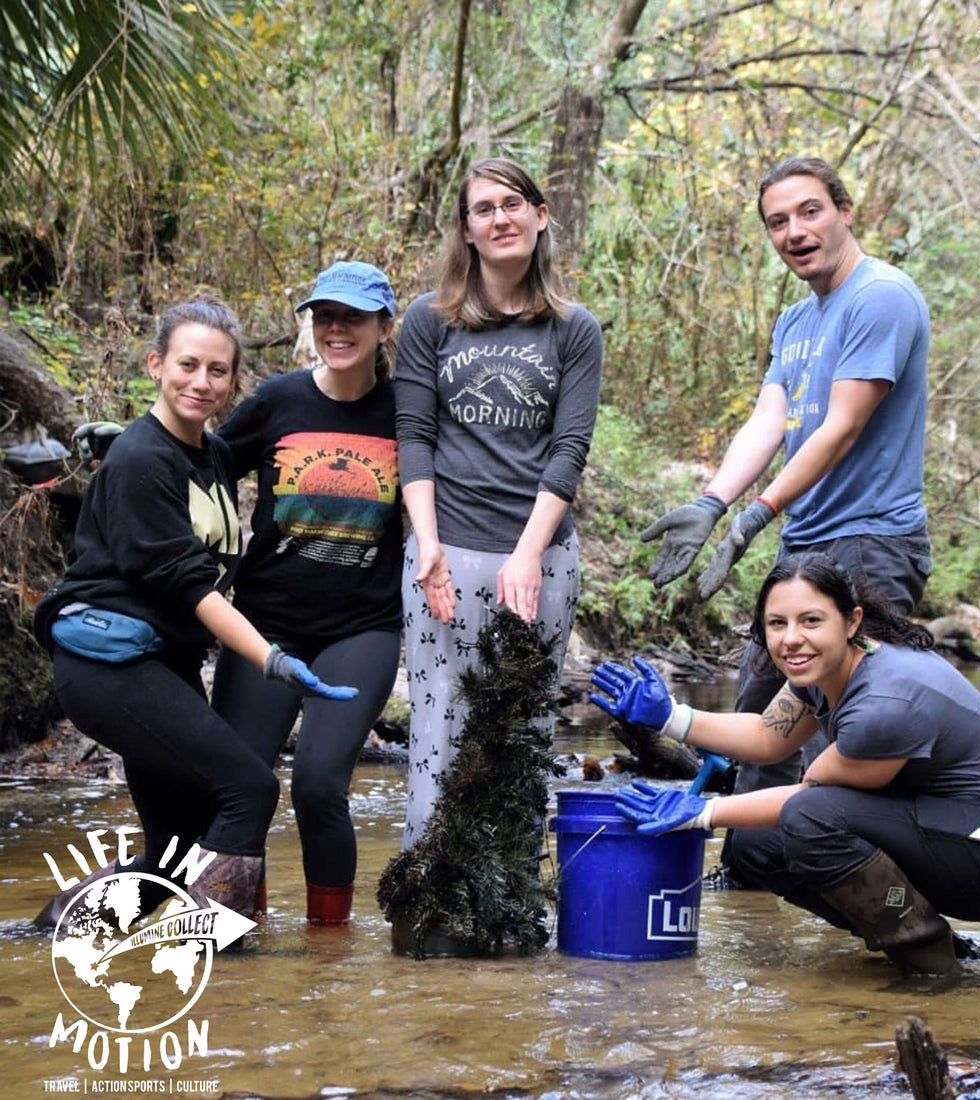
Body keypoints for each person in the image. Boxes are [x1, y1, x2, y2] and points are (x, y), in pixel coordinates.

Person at [32, 297, 356, 928]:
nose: (200, 382)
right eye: (187, 365)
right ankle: (215, 965)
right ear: (156, 365)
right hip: (110, 666)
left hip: (162, 663)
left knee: (175, 854)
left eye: (217, 371)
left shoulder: (208, 452)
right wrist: (274, 659)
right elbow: (194, 589)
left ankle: (44, 935)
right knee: (250, 790)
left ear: (234, 381)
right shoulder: (140, 458)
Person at [591, 555, 980, 978]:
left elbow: (811, 798)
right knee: (756, 848)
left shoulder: (884, 703)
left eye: (811, 620)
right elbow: (768, 737)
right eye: (777, 623)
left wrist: (701, 814)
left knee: (808, 821)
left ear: (852, 621)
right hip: (944, 830)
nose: (791, 639)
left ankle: (933, 969)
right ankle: (932, 937)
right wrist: (670, 715)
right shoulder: (827, 665)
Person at [641, 156, 932, 799]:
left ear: (845, 212)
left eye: (810, 212)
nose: (795, 232)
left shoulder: (880, 297)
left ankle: (849, 887)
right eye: (778, 222)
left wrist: (755, 515)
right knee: (760, 719)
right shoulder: (796, 320)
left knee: (845, 737)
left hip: (870, 544)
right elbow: (770, 420)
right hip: (805, 546)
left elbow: (841, 427)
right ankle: (753, 886)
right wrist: (712, 502)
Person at [394, 156, 603, 848]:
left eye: (512, 203)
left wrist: (528, 552)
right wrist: (427, 543)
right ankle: (429, 906)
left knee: (521, 730)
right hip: (443, 554)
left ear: (540, 217)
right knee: (439, 728)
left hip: (539, 559)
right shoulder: (430, 321)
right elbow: (415, 437)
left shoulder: (574, 330)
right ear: (467, 230)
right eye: (483, 209)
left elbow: (569, 449)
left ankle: (509, 910)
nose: (500, 218)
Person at [210, 261, 403, 926]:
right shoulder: (278, 401)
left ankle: (327, 953)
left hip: (363, 629)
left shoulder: (408, 412)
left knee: (319, 785)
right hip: (265, 624)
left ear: (385, 326)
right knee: (240, 783)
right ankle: (236, 926)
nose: (337, 329)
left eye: (352, 317)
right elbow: (193, 461)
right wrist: (125, 451)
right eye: (325, 316)